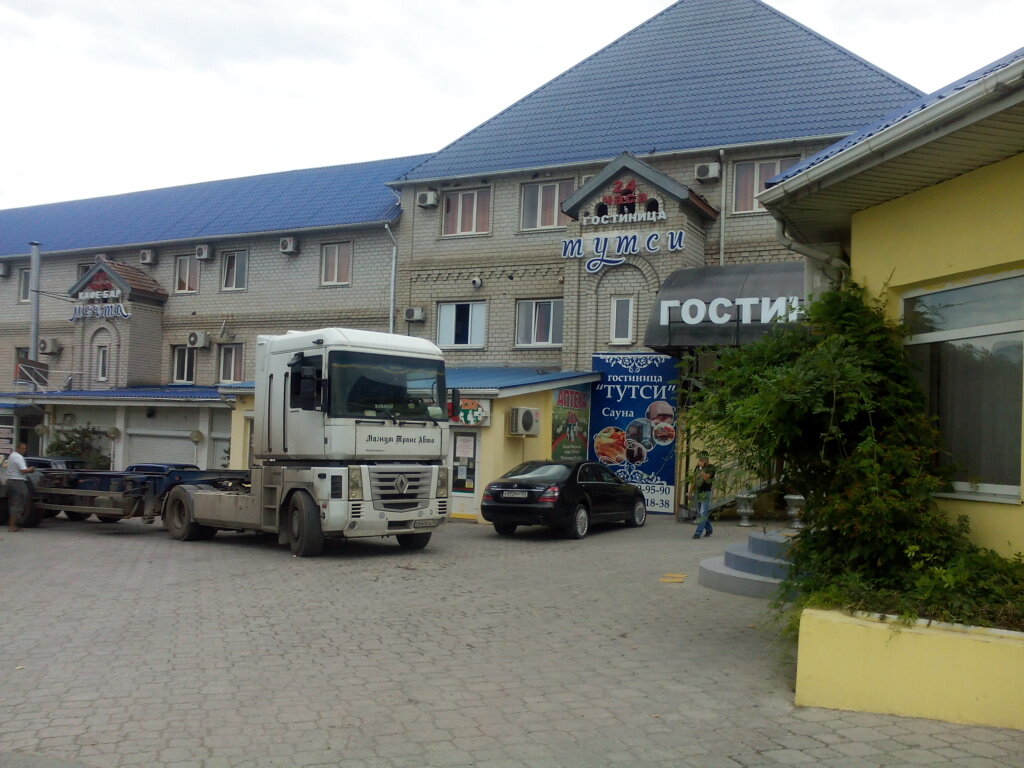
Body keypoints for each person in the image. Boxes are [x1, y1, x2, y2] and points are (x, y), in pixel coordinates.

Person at [5, 442, 35, 532]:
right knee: (18, 504)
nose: (24, 450)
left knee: (14, 503)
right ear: (17, 448)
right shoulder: (19, 457)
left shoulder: (12, 455)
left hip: (11, 480)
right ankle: (12, 526)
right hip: (18, 482)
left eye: (25, 448)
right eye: (22, 448)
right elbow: (23, 470)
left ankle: (13, 524)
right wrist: (31, 469)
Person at [689, 451, 716, 539]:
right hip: (697, 491)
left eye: (703, 458)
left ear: (707, 459)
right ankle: (709, 529)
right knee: (700, 513)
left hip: (706, 492)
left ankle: (698, 533)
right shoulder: (698, 467)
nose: (701, 460)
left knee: (703, 512)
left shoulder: (711, 468)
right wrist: (690, 492)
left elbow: (705, 477)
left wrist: (701, 468)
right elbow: (694, 480)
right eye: (700, 458)